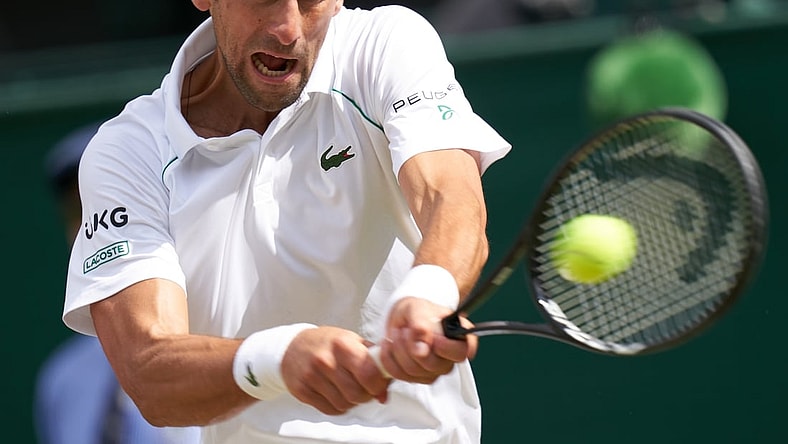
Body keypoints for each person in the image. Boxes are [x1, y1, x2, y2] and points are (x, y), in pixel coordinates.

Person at [62, 1, 511, 443]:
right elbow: (150, 371)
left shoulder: (385, 44)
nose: (288, 28)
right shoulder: (128, 153)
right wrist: (278, 359)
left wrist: (428, 293)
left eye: (312, 1)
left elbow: (451, 197)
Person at [35, 123, 202, 444]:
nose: (101, 231)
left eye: (121, 210)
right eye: (84, 213)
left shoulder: (250, 341)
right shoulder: (63, 380)